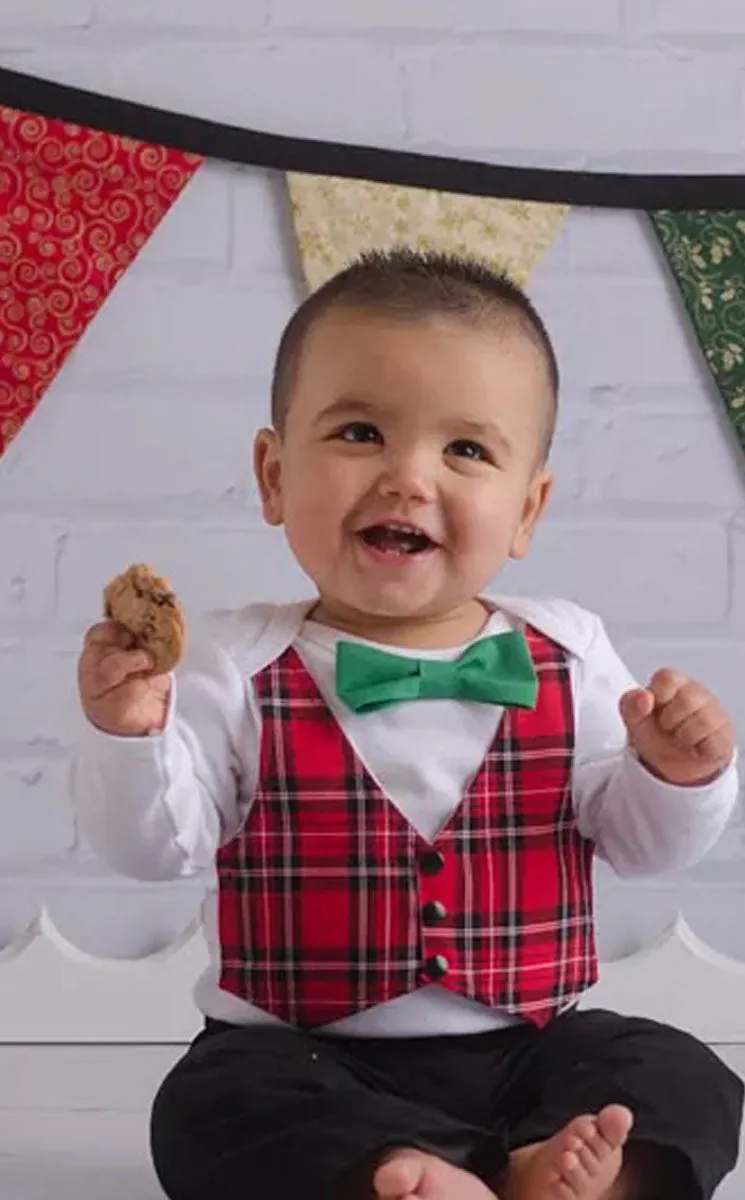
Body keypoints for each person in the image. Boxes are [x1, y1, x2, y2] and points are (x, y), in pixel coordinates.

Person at [73, 248, 744, 1200]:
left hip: (532, 1048)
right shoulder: (230, 662)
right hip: (306, 1055)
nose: (408, 478)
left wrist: (677, 772)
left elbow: (640, 845)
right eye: (358, 432)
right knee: (210, 1103)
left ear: (527, 508)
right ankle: (405, 1168)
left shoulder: (569, 648)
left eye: (465, 450)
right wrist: (130, 734)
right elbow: (155, 848)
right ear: (272, 474)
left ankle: (560, 1168)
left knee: (676, 1069)